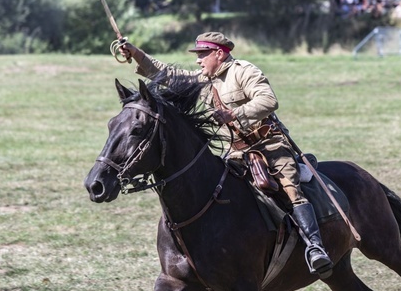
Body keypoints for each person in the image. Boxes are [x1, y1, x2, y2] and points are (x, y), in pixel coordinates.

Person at [120, 32, 333, 277]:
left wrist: (235, 114)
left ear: (218, 54)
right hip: (234, 152)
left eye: (202, 55)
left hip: (268, 145)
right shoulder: (202, 79)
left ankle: (315, 247)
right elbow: (166, 73)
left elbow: (268, 100)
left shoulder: (244, 71)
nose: (198, 61)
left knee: (289, 187)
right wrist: (134, 52)